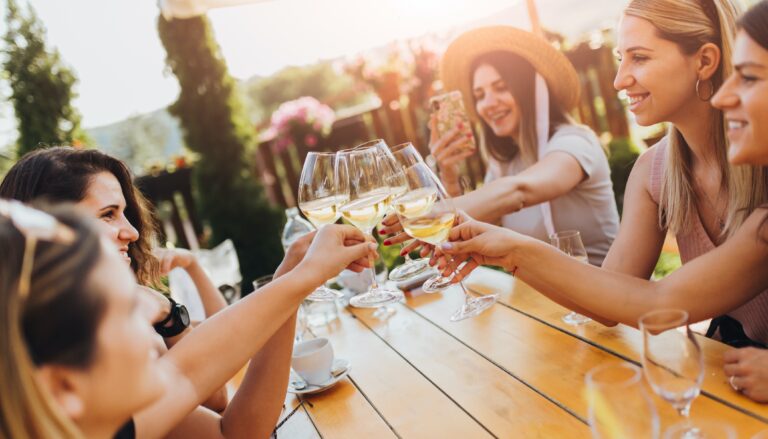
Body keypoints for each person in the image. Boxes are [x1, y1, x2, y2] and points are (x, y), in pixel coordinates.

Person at [435, 0, 768, 402]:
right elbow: (612, 301)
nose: (618, 80)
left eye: (639, 58)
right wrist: (508, 254)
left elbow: (659, 304)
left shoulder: (573, 143)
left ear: (705, 61)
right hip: (727, 368)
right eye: (620, 58)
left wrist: (500, 244)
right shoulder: (655, 170)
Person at [0, 201, 378, 438]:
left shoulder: (98, 425)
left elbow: (187, 376)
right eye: (121, 306)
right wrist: (299, 278)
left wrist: (295, 277)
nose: (152, 308)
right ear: (64, 387)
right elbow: (187, 374)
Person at [0, 146, 230, 412]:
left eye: (125, 214)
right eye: (108, 214)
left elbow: (223, 344)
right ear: (53, 227)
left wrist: (192, 265)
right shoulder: (88, 342)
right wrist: (170, 314)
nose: (132, 232)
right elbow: (219, 404)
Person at [410, 25, 620, 265]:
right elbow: (467, 235)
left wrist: (434, 214)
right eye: (479, 95)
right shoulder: (505, 164)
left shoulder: (575, 142)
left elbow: (519, 192)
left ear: (528, 90)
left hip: (604, 293)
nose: (488, 103)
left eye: (501, 88)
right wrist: (449, 174)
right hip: (541, 298)